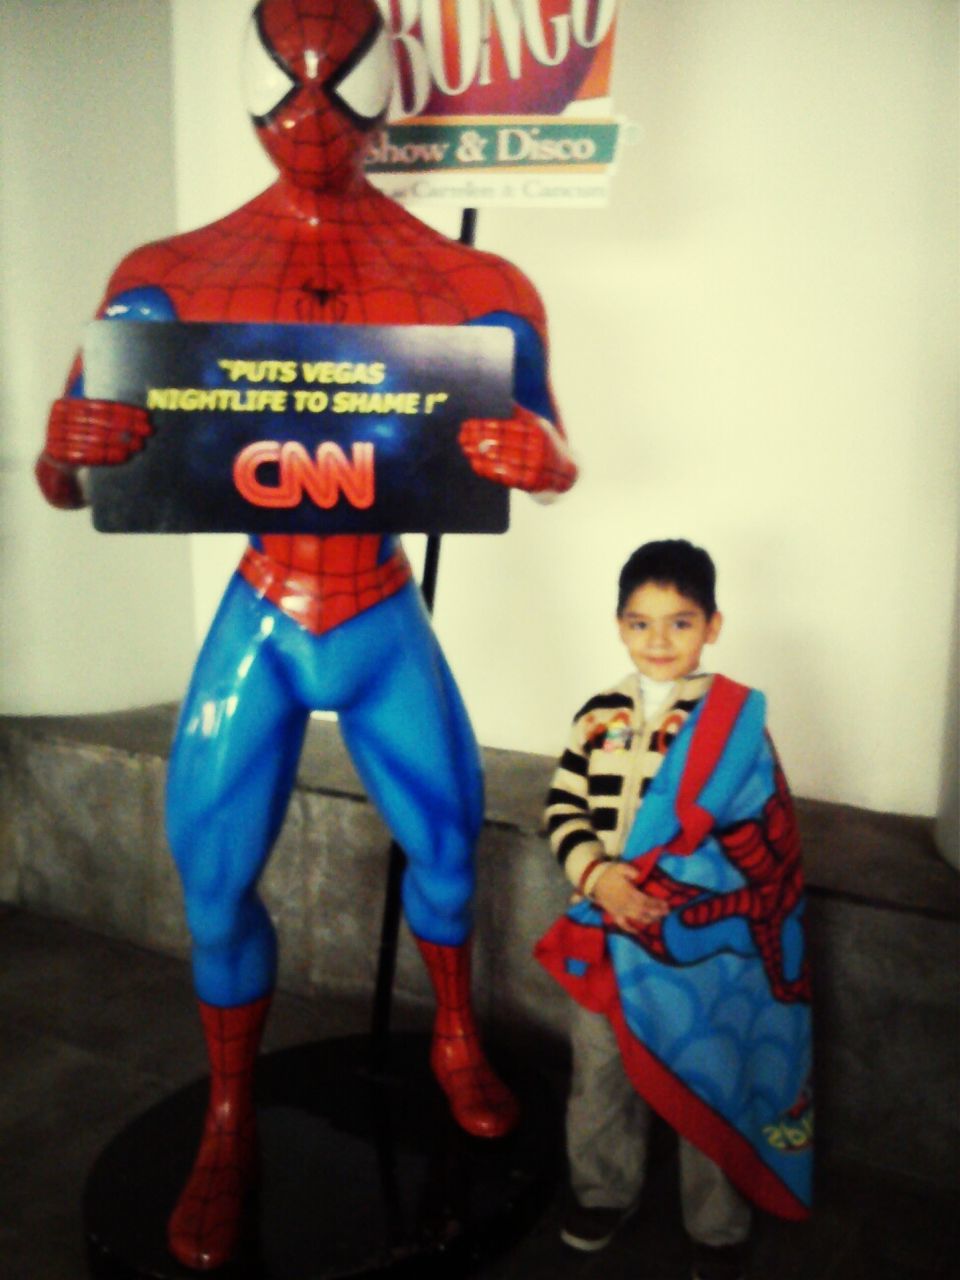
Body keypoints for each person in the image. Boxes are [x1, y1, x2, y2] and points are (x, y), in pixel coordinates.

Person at [35, 0, 577, 1270]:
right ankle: (229, 1110)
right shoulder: (162, 270)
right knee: (213, 879)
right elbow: (74, 476)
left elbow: (551, 455)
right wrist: (66, 454)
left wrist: (536, 455)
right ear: (249, 95)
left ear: (385, 92)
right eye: (287, 92)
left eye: (338, 90)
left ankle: (451, 1032)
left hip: (381, 602)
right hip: (267, 607)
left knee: (446, 843)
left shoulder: (477, 283)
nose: (313, 120)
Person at [535, 540, 812, 1280]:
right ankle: (603, 1190)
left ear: (713, 626)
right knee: (599, 1072)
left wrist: (673, 900)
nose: (659, 641)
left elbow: (762, 836)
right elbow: (563, 806)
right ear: (619, 625)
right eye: (640, 623)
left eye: (680, 623)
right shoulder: (596, 715)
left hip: (695, 945)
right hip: (606, 929)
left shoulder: (732, 725)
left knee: (709, 1073)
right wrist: (598, 879)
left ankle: (717, 1226)